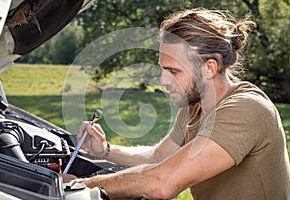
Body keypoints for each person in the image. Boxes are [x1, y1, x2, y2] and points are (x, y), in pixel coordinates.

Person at [64, 8, 290, 199]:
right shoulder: (194, 107)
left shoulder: (245, 109)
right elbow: (160, 158)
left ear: (209, 68)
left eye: (173, 71)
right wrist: (106, 151)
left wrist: (79, 186)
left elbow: (162, 182)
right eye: (163, 69)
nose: (163, 80)